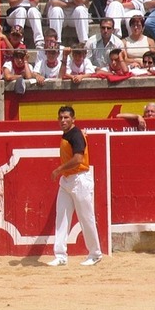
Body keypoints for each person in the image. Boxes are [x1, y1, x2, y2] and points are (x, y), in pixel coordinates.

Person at [47, 105, 103, 267]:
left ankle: (95, 253)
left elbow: (78, 158)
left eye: (66, 117)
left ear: (73, 119)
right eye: (60, 117)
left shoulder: (76, 135)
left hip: (79, 179)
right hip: (68, 180)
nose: (63, 120)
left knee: (86, 217)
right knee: (61, 217)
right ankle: (60, 255)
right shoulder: (70, 134)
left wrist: (59, 169)